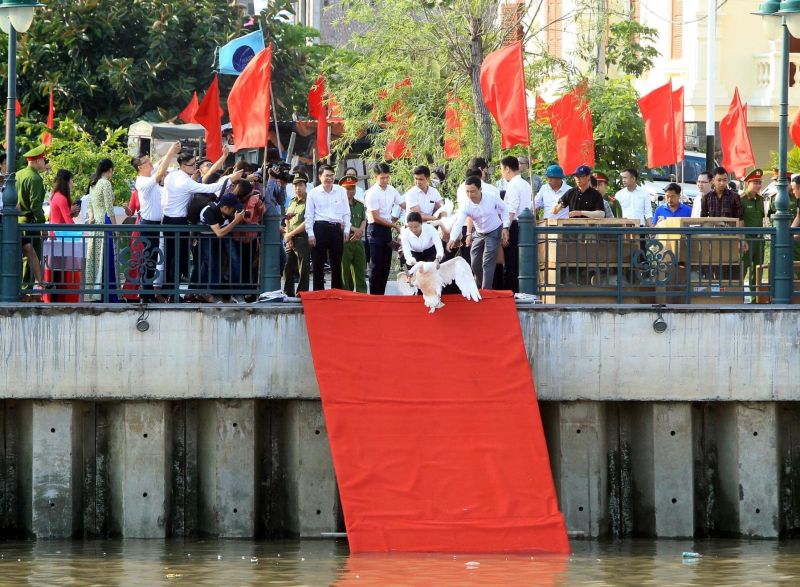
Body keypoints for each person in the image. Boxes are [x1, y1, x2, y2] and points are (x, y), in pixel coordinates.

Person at [162, 150, 242, 296]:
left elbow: (207, 176)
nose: (195, 168)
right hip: (178, 222)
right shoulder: (184, 182)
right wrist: (230, 179)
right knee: (178, 260)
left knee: (170, 258)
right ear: (183, 165)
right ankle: (171, 293)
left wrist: (223, 157)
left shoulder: (173, 175)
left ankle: (168, 292)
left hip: (167, 220)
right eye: (192, 165)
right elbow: (209, 187)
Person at [131, 142, 180, 300]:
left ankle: (148, 291)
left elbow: (159, 165)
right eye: (147, 161)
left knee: (151, 258)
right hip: (148, 224)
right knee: (148, 259)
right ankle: (146, 293)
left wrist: (169, 154)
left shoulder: (148, 177)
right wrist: (171, 152)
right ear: (140, 167)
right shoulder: (142, 182)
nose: (150, 162)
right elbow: (160, 173)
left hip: (154, 224)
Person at [447, 176, 510, 289]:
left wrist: (505, 227)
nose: (470, 195)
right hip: (479, 233)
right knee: (475, 264)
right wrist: (452, 238)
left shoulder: (491, 197)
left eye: (473, 191)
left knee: (487, 262)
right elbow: (459, 223)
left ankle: (486, 291)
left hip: (494, 231)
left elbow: (505, 209)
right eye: (467, 192)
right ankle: (481, 287)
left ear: (480, 189)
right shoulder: (466, 204)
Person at [306, 165, 351, 290]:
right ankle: (318, 294)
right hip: (319, 228)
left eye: (331, 176)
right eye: (326, 176)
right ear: (320, 177)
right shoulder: (313, 193)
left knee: (337, 264)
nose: (329, 178)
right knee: (318, 264)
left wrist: (347, 230)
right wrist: (310, 234)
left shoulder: (341, 191)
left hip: (336, 229)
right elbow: (309, 216)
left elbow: (346, 212)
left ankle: (336, 293)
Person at [365, 162, 404, 295]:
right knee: (375, 265)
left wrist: (410, 216)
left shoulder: (392, 189)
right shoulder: (371, 193)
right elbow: (375, 217)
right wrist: (394, 225)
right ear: (376, 177)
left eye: (387, 177)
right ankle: (374, 296)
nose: (385, 180)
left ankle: (382, 294)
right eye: (382, 178)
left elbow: (403, 204)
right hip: (375, 229)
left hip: (387, 229)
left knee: (386, 265)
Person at [199, 193, 246, 302]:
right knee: (211, 263)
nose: (234, 211)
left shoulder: (227, 212)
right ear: (225, 208)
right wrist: (235, 221)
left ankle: (237, 293)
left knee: (235, 260)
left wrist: (237, 219)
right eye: (233, 209)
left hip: (225, 232)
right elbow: (219, 233)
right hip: (207, 236)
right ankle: (212, 294)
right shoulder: (209, 211)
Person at [84, 159, 119, 302]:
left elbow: (90, 205)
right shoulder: (105, 183)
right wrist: (115, 227)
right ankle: (108, 294)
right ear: (109, 169)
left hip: (96, 223)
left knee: (96, 258)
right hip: (105, 221)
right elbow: (109, 208)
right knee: (107, 259)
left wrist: (91, 217)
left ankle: (94, 292)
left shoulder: (94, 183)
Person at [46, 169, 82, 302]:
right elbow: (67, 221)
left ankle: (55, 296)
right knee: (61, 270)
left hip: (56, 235)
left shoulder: (55, 195)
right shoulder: (61, 197)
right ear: (67, 181)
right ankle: (59, 297)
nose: (72, 183)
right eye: (71, 180)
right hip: (60, 237)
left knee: (57, 269)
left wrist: (70, 212)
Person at [17, 144, 49, 291]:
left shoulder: (18, 174)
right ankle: (27, 291)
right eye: (43, 159)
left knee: (22, 257)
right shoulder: (35, 179)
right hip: (30, 223)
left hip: (17, 222)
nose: (45, 162)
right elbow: (36, 206)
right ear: (36, 161)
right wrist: (42, 226)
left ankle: (21, 289)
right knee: (31, 258)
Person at [500, 155, 532, 292]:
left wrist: (506, 228)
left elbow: (511, 209)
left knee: (511, 262)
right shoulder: (525, 184)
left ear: (507, 168)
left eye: (502, 169)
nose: (502, 172)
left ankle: (511, 292)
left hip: (514, 224)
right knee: (520, 261)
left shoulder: (513, 184)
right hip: (525, 226)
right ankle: (520, 291)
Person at [232, 179, 266, 297]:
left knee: (249, 266)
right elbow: (245, 217)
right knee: (238, 265)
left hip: (250, 238)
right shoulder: (234, 198)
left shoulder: (255, 197)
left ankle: (250, 292)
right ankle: (240, 292)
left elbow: (250, 217)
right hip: (237, 237)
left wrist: (253, 203)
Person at [283, 172, 311, 297]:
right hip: (290, 239)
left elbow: (307, 221)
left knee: (303, 268)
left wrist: (291, 234)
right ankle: (288, 292)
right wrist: (287, 234)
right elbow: (287, 219)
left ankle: (302, 293)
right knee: (288, 267)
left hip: (302, 238)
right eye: (295, 185)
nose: (297, 188)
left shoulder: (309, 201)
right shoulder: (292, 201)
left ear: (305, 186)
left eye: (300, 185)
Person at [740, 169, 766, 292]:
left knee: (758, 270)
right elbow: (740, 220)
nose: (758, 185)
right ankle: (737, 297)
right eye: (755, 182)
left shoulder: (760, 200)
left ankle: (755, 298)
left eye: (759, 182)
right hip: (747, 239)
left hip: (759, 240)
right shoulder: (741, 199)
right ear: (747, 183)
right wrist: (743, 238)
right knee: (742, 269)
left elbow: (762, 219)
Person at [341, 175, 368, 293]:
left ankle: (362, 295)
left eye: (353, 188)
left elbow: (364, 219)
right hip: (345, 241)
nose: (351, 191)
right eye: (348, 188)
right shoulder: (339, 204)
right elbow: (340, 222)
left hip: (357, 241)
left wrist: (360, 231)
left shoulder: (360, 205)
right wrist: (355, 230)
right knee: (344, 272)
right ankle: (346, 296)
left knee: (360, 270)